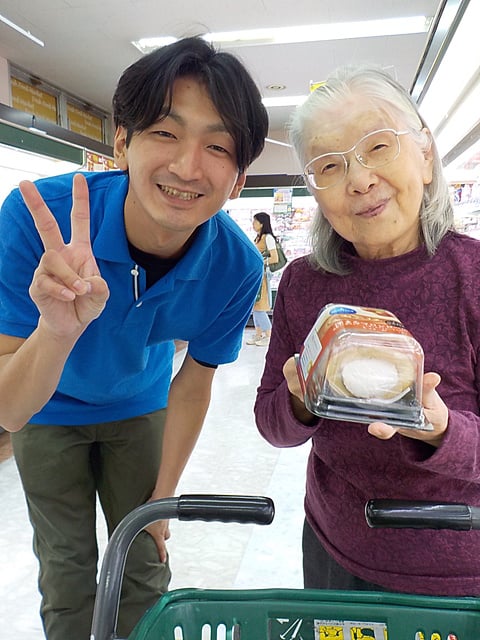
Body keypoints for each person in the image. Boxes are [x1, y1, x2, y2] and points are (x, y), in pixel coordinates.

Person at [0, 36, 268, 640]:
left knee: (144, 564)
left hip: (142, 406)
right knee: (67, 570)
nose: (187, 166)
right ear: (122, 142)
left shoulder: (237, 266)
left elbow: (196, 380)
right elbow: (10, 408)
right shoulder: (36, 219)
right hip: (46, 412)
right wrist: (56, 329)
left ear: (239, 177)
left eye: (217, 145)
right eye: (165, 134)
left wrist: (162, 502)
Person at [254, 64, 480, 596]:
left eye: (378, 146)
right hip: (336, 552)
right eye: (329, 166)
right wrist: (305, 400)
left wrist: (441, 430)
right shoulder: (304, 285)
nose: (359, 179)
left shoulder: (471, 278)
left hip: (456, 566)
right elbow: (271, 422)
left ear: (424, 154)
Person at [245, 212, 279, 346]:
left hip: (262, 278)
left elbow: (274, 258)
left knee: (259, 307)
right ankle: (258, 334)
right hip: (256, 276)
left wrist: (260, 261)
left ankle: (268, 335)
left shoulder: (268, 238)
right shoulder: (258, 238)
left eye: (255, 221)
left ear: (262, 223)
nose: (253, 224)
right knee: (255, 307)